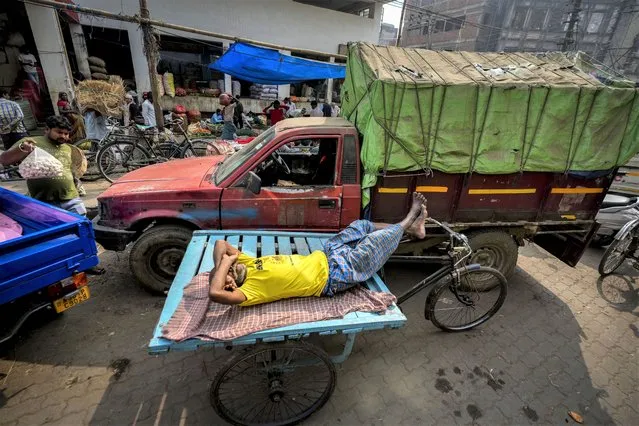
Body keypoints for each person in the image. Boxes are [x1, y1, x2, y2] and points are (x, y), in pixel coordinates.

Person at [208, 193, 428, 306]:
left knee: (359, 226)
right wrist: (227, 265)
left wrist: (223, 268)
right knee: (372, 244)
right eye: (228, 283)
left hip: (327, 253)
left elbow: (220, 244)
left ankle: (412, 230)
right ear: (233, 287)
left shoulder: (245, 264)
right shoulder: (250, 291)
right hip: (334, 276)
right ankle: (409, 218)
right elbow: (215, 293)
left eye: (224, 277)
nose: (227, 279)